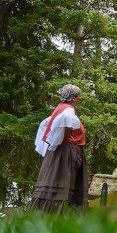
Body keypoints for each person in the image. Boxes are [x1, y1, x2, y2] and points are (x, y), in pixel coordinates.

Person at [29, 84, 88, 213]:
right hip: (65, 153)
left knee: (53, 179)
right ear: (73, 98)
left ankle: (45, 211)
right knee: (63, 182)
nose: (80, 98)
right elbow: (67, 121)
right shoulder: (68, 110)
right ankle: (59, 213)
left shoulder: (60, 108)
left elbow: (45, 124)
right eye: (78, 96)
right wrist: (69, 137)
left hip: (58, 152)